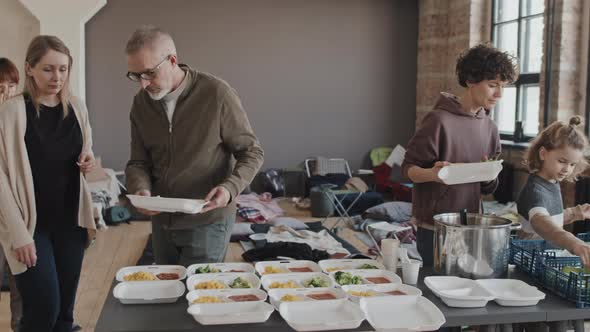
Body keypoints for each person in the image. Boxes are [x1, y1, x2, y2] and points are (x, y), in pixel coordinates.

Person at [124, 25, 264, 265]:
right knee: (167, 293)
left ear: (172, 60)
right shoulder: (141, 103)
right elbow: (139, 161)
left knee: (203, 294)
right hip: (162, 220)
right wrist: (141, 189)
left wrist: (230, 188)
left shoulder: (217, 94)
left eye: (149, 73)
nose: (143, 84)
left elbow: (252, 152)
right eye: (136, 76)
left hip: (207, 220)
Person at [0, 35, 97, 332]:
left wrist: (88, 160)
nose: (57, 77)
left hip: (71, 223)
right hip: (31, 226)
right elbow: (1, 179)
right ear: (29, 69)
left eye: (63, 69)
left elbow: (85, 150)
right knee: (44, 308)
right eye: (48, 69)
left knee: (65, 315)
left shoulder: (77, 108)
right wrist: (19, 235)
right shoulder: (12, 111)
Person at [401, 44, 518, 267]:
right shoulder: (439, 121)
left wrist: (489, 177)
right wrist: (435, 174)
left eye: (503, 87)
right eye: (493, 85)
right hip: (435, 226)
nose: (499, 94)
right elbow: (408, 169)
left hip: (472, 225)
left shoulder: (490, 128)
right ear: (471, 80)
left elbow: (487, 188)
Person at [517, 116, 590, 265]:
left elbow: (551, 217)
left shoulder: (551, 182)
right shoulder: (535, 191)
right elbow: (543, 224)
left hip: (545, 258)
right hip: (531, 261)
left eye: (572, 165)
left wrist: (575, 213)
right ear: (543, 153)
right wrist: (574, 243)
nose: (567, 169)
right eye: (562, 161)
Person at [0, 57, 23, 331]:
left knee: (20, 281)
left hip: (16, 214)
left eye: (11, 85)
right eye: (0, 87)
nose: (6, 92)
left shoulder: (22, 120)